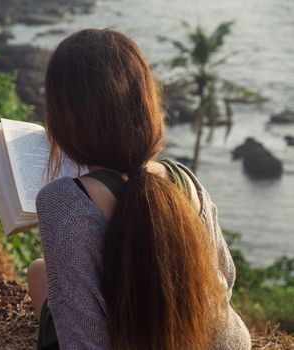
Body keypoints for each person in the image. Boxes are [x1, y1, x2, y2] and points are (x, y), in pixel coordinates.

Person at [26, 28, 251, 350]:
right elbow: (225, 279)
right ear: (146, 103)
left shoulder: (63, 201)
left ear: (65, 119)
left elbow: (82, 337)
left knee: (37, 272)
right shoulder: (184, 180)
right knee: (40, 271)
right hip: (225, 343)